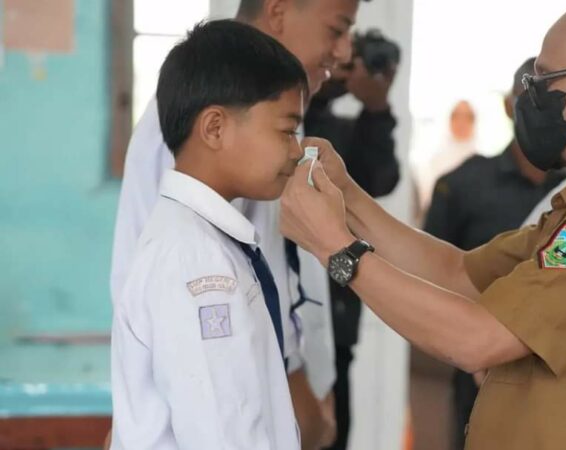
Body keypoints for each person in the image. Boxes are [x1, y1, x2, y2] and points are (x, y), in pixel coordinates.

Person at [280, 1, 566, 449]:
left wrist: (336, 248)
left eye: (549, 79)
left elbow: (477, 339)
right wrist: (347, 195)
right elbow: (458, 273)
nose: (533, 96)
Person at [110, 1, 361, 448]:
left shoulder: (220, 239)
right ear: (214, 129)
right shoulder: (196, 263)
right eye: (287, 132)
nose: (295, 151)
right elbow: (219, 426)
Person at [423, 56, 566, 450]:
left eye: (551, 99)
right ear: (508, 104)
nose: (539, 111)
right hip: (479, 368)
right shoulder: (463, 184)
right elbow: (436, 273)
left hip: (564, 376)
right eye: (528, 97)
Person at [303, 30, 401, 450]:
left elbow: (381, 178)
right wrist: (322, 86)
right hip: (287, 305)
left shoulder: (352, 132)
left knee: (334, 430)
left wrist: (377, 107)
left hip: (337, 309)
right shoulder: (298, 117)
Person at [413, 100, 479, 218]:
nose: (461, 122)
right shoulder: (435, 158)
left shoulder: (480, 163)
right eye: (457, 116)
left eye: (467, 117)